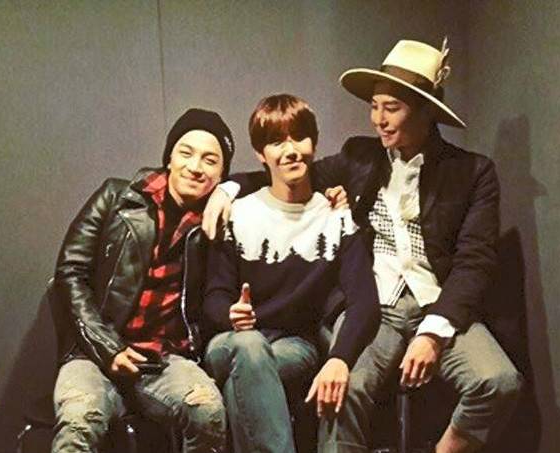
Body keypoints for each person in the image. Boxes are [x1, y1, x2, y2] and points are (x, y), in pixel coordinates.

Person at [203, 39, 523, 453]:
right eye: (374, 107)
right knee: (341, 388)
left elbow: (474, 262)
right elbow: (289, 169)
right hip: (375, 307)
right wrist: (227, 188)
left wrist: (433, 332)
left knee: (499, 382)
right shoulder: (360, 156)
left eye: (392, 108)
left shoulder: (472, 172)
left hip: (440, 306)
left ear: (425, 111)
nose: (378, 120)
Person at [202, 94, 380, 453]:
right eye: (276, 142)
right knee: (249, 347)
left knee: (245, 381)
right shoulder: (239, 212)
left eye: (299, 137)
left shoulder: (335, 215)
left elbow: (365, 301)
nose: (291, 150)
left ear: (314, 143)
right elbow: (214, 295)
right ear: (260, 153)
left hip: (295, 345)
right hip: (231, 342)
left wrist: (339, 359)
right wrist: (230, 313)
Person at [51, 108, 235, 453]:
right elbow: (70, 273)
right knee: (79, 421)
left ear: (222, 175)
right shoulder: (116, 197)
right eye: (186, 153)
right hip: (94, 354)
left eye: (210, 160)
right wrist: (109, 348)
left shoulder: (217, 224)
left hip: (163, 360)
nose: (196, 167)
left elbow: (281, 173)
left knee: (207, 411)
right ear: (169, 158)